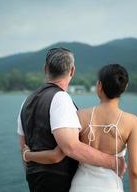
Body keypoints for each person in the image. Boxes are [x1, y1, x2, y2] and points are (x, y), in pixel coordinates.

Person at [17, 48, 125, 192]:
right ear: (72, 71)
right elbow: (70, 147)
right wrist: (113, 162)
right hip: (59, 183)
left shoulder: (26, 102)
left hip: (35, 183)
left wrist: (32, 166)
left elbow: (23, 149)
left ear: (45, 69)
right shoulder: (60, 98)